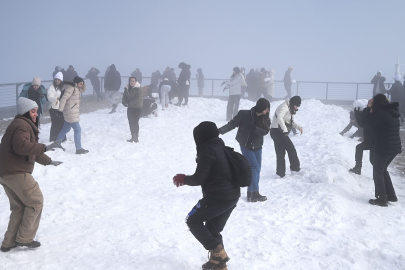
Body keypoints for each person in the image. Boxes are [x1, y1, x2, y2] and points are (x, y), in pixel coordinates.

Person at [172, 121, 239, 270]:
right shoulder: (221, 147)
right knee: (212, 229)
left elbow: (199, 178)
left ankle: (218, 252)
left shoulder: (208, 150)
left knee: (193, 220)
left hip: (218, 197)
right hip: (232, 196)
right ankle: (219, 265)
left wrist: (184, 179)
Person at [0, 97, 63, 252]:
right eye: (33, 111)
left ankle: (8, 243)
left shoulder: (20, 125)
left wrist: (48, 161)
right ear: (25, 112)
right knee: (35, 201)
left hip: (6, 173)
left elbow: (30, 150)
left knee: (19, 207)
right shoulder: (22, 125)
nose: (36, 114)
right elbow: (21, 147)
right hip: (16, 172)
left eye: (36, 111)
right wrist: (45, 147)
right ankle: (24, 238)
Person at [218, 98, 271, 202]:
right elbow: (232, 124)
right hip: (246, 145)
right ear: (261, 108)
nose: (268, 111)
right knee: (254, 167)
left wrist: (254, 128)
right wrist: (219, 131)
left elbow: (265, 132)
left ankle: (251, 193)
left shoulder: (266, 118)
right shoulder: (244, 114)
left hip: (258, 146)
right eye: (266, 109)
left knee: (257, 169)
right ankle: (254, 193)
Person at [361, 94, 402, 206]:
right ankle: (391, 195)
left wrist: (368, 108)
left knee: (377, 172)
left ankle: (382, 199)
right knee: (382, 170)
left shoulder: (380, 113)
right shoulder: (392, 111)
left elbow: (365, 123)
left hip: (384, 147)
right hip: (393, 147)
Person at [270, 96, 303, 177]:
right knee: (291, 148)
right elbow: (279, 118)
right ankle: (295, 169)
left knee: (280, 152)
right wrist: (285, 130)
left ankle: (280, 173)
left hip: (278, 131)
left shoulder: (290, 108)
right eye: (297, 105)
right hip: (277, 131)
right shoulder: (283, 107)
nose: (297, 107)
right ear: (293, 103)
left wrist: (299, 127)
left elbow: (291, 122)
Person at [56, 76, 89, 154]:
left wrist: (83, 84)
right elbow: (64, 98)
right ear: (76, 83)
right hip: (70, 112)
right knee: (77, 129)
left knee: (65, 129)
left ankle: (57, 144)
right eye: (80, 84)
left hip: (71, 112)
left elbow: (83, 90)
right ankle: (79, 149)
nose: (81, 85)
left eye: (82, 84)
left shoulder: (76, 89)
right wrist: (60, 110)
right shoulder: (71, 88)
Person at [349, 105, 372, 175]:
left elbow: (362, 126)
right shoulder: (371, 114)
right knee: (359, 148)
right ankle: (358, 168)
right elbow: (361, 124)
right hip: (371, 139)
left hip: (375, 140)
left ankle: (358, 169)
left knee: (375, 161)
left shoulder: (374, 114)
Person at [122, 77, 143, 143]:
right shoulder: (127, 88)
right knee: (131, 122)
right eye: (131, 81)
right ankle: (133, 136)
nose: (132, 82)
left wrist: (129, 103)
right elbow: (124, 97)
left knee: (135, 122)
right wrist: (124, 102)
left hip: (137, 107)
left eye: (133, 81)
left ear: (136, 82)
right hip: (130, 108)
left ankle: (136, 136)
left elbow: (138, 99)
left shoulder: (139, 88)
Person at [47, 72, 67, 142]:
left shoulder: (62, 87)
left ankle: (62, 138)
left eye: (58, 80)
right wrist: (57, 98)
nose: (57, 81)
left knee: (62, 122)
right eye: (56, 79)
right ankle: (53, 138)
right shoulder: (51, 87)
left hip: (60, 108)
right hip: (53, 108)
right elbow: (49, 97)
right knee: (55, 123)